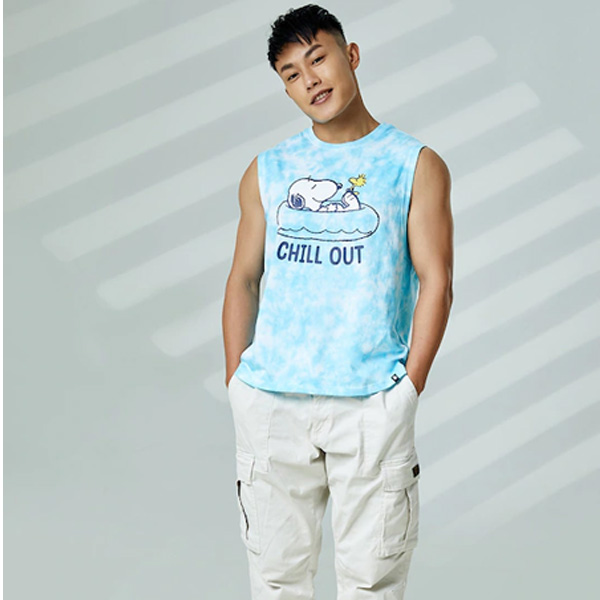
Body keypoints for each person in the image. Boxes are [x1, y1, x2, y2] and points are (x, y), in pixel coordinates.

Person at [221, 4, 453, 599]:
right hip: (272, 403)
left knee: (372, 584)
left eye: (317, 59)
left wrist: (407, 390)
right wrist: (237, 382)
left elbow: (437, 280)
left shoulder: (414, 165)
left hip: (370, 404)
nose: (310, 80)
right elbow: (244, 278)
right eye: (292, 74)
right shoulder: (267, 171)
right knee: (275, 582)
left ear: (350, 55)